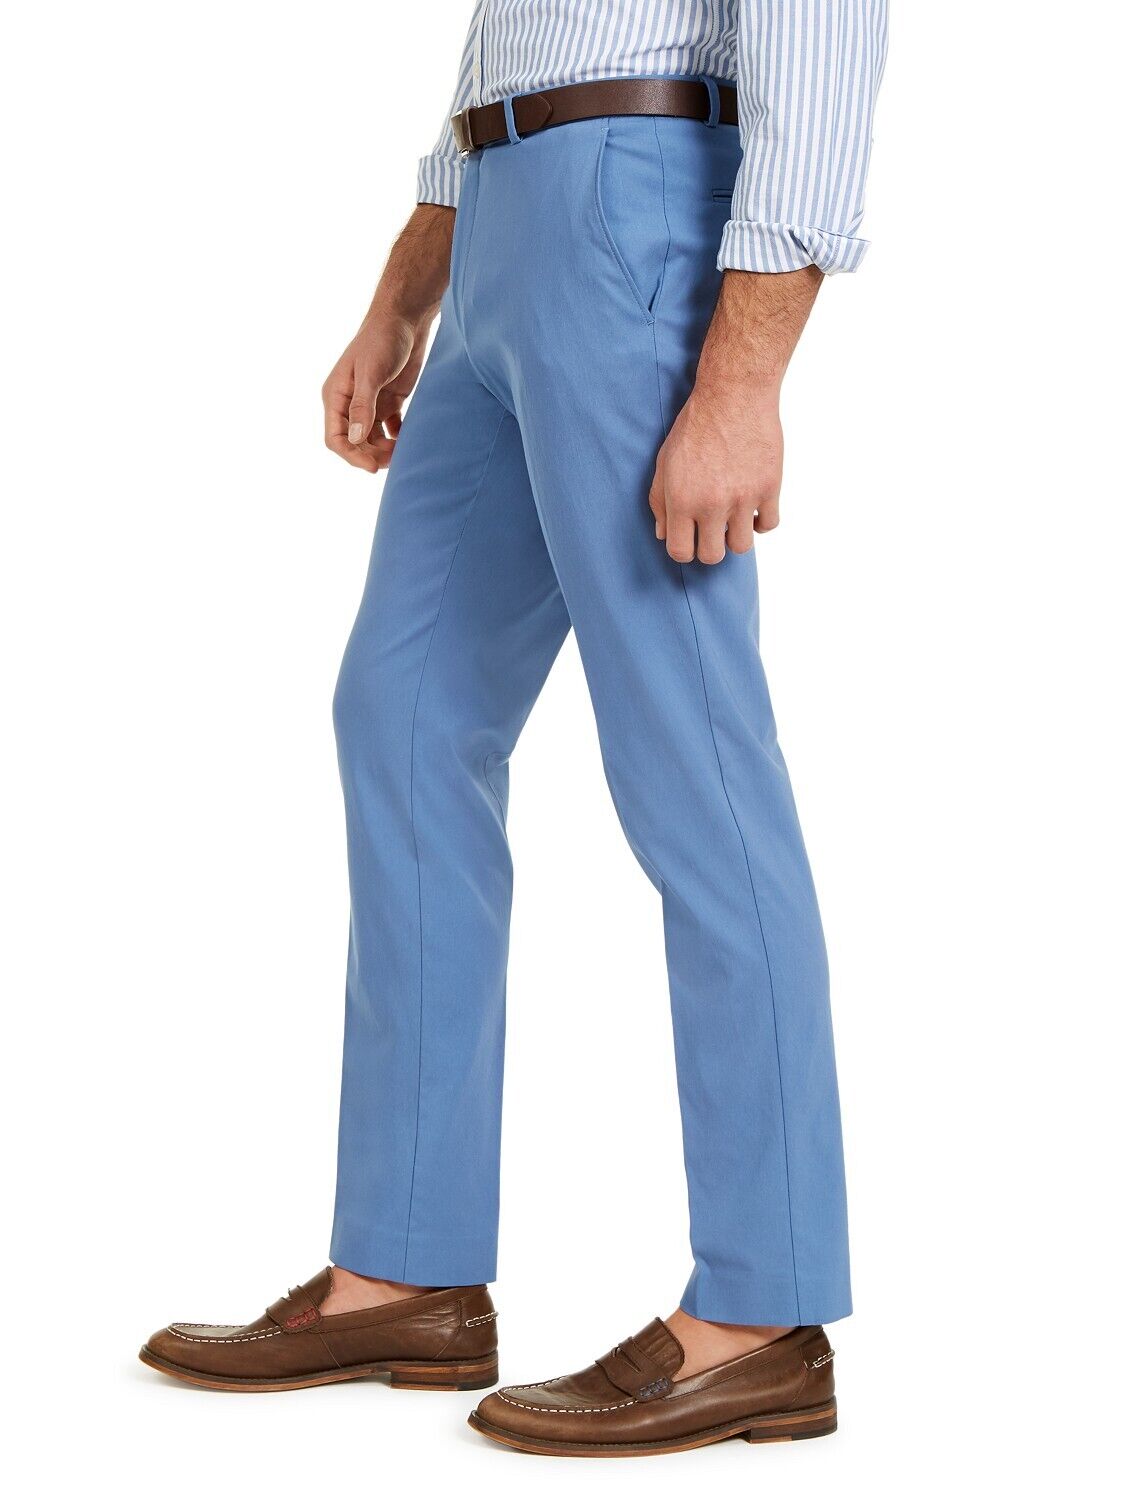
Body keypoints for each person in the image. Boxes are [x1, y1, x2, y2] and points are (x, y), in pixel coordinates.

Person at [139, 1, 887, 1457]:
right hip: (496, 218)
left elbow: (820, 39)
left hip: (633, 208)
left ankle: (765, 1310)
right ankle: (403, 1271)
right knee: (403, 712)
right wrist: (408, 289)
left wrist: (742, 384)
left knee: (692, 758)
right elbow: (517, 35)